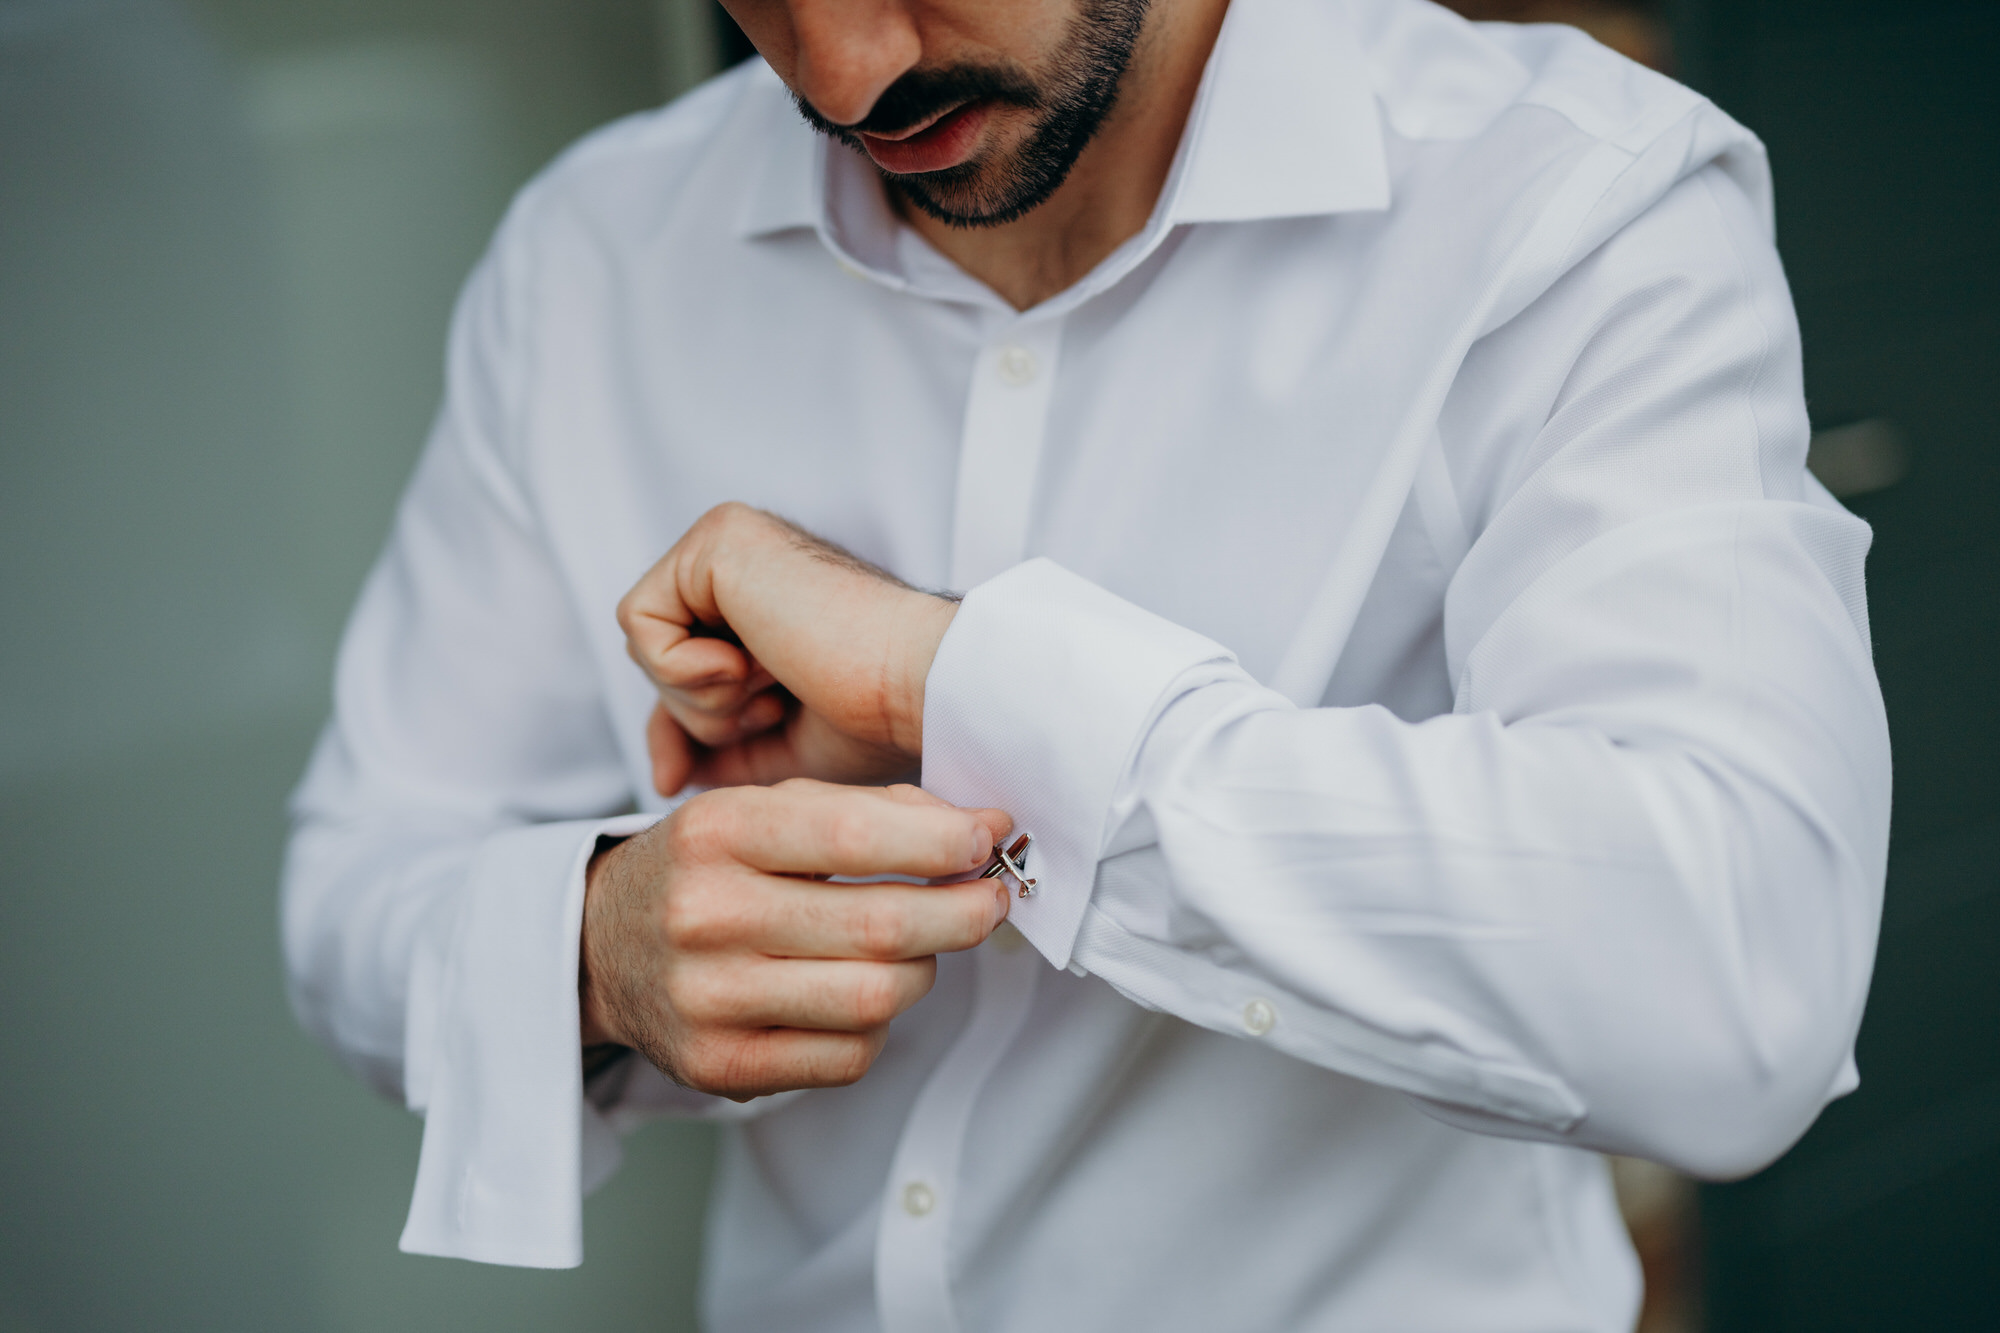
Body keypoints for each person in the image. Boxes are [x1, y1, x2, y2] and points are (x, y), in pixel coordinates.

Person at [281, 0, 1892, 1328]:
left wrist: (950, 683)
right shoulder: (590, 260)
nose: (844, 74)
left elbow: (1736, 975)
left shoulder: (1568, 203)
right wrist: (598, 941)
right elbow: (356, 886)